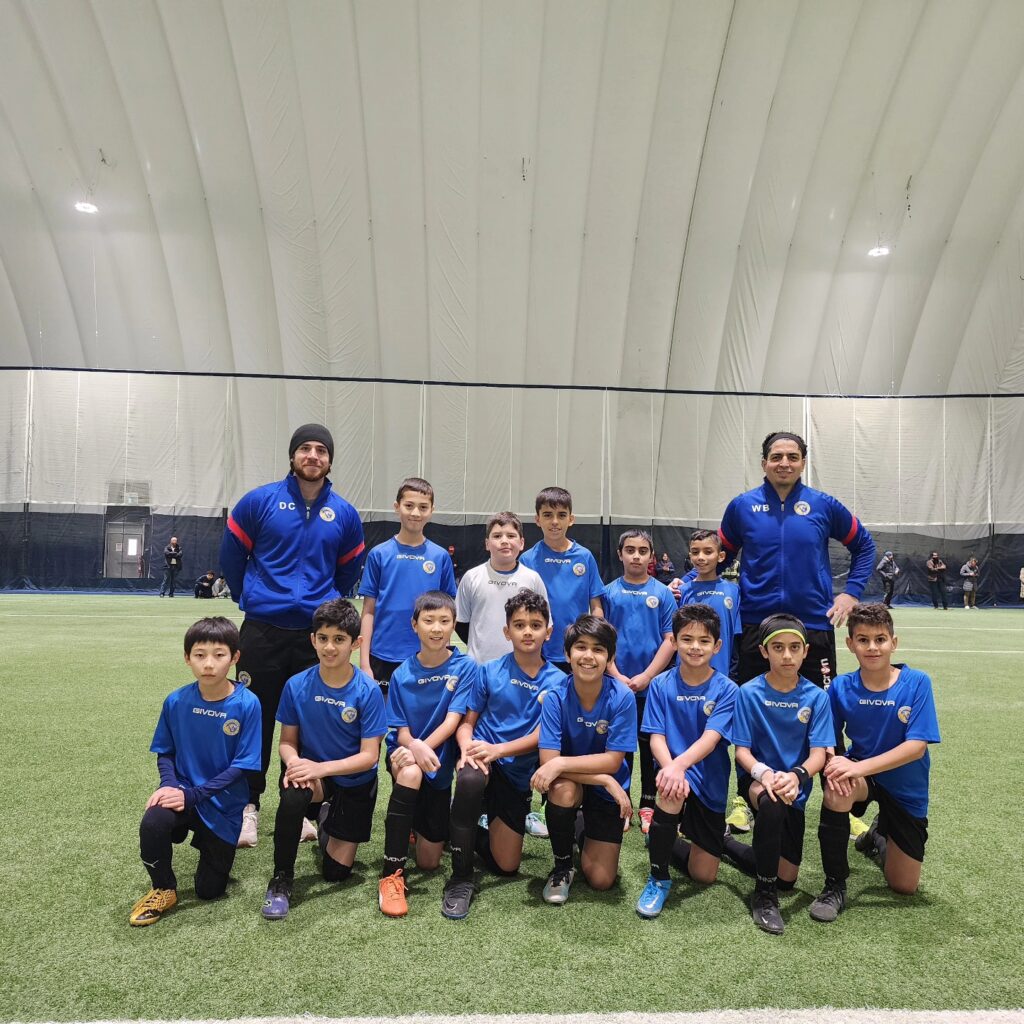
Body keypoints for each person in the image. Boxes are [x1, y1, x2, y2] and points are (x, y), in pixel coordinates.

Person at [219, 423, 366, 848]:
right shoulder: (259, 501)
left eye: (322, 450)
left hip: (312, 636)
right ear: (293, 456)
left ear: (330, 461)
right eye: (306, 448)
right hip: (262, 631)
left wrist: (327, 604)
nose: (313, 456)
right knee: (256, 718)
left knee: (309, 721)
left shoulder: (344, 513)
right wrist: (249, 594)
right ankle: (248, 806)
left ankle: (301, 806)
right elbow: (232, 552)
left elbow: (349, 569)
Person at [810, 603, 940, 922]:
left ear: (893, 643)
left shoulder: (917, 683)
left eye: (880, 639)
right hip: (864, 779)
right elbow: (826, 737)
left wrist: (856, 767)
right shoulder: (841, 687)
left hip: (905, 787)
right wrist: (834, 764)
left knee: (903, 885)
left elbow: (916, 748)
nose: (872, 647)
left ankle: (877, 835)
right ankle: (835, 885)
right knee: (837, 789)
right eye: (863, 639)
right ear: (850, 643)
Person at [442, 590, 566, 919]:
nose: (527, 631)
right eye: (520, 625)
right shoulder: (489, 670)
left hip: (516, 774)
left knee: (507, 866)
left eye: (535, 625)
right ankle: (460, 877)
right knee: (469, 779)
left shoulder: (558, 682)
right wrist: (467, 746)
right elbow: (467, 723)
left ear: (548, 632)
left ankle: (454, 830)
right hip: (484, 760)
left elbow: (545, 734)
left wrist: (500, 750)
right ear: (506, 632)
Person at [719, 431, 876, 688]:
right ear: (764, 463)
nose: (784, 463)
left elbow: (865, 545)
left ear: (803, 462)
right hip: (755, 625)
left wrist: (851, 593)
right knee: (750, 707)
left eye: (793, 457)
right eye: (776, 457)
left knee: (821, 708)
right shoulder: (742, 506)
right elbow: (719, 557)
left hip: (813, 623)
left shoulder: (823, 505)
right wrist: (690, 582)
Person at [130, 617, 260, 926]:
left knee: (208, 891)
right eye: (200, 655)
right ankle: (163, 887)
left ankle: (211, 842)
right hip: (185, 792)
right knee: (154, 819)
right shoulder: (176, 701)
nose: (209, 664)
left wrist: (192, 795)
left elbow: (242, 766)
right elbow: (166, 750)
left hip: (223, 803)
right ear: (187, 657)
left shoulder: (247, 704)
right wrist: (169, 785)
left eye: (219, 655)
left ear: (235, 658)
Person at [262, 599, 386, 920]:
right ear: (313, 640)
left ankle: (326, 818)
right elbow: (287, 743)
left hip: (354, 781)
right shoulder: (296, 685)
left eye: (339, 640)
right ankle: (281, 879)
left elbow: (369, 756)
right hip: (316, 776)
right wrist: (295, 763)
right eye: (323, 638)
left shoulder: (368, 691)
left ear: (355, 644)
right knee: (293, 792)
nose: (330, 647)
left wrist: (319, 767)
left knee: (335, 873)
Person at [721, 614, 833, 935]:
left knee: (787, 877)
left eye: (794, 647)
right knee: (771, 803)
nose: (787, 655)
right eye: (778, 647)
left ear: (805, 652)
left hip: (794, 784)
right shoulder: (749, 693)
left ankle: (723, 843)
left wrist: (796, 776)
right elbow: (741, 751)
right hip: (758, 780)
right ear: (764, 651)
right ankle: (764, 896)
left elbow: (818, 755)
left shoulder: (816, 698)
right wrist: (765, 773)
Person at [378, 591, 477, 917]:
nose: (437, 628)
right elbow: (401, 730)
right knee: (410, 772)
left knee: (430, 862)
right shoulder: (402, 674)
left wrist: (424, 746)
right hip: (406, 753)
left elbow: (452, 721)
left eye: (445, 621)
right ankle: (390, 874)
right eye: (429, 620)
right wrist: (415, 747)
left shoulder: (465, 667)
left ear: (453, 625)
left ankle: (416, 824)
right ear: (415, 624)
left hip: (437, 759)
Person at [635, 604, 738, 918]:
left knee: (703, 875)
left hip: (708, 778)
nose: (695, 647)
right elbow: (656, 737)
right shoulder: (661, 684)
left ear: (717, 646)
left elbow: (711, 739)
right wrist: (671, 769)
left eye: (704, 641)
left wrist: (679, 766)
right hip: (672, 771)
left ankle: (664, 837)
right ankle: (658, 876)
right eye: (687, 639)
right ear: (674, 642)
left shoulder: (728, 689)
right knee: (670, 791)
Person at [531, 616, 636, 905]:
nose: (588, 656)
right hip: (578, 783)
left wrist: (568, 765)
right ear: (567, 654)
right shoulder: (555, 697)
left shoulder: (623, 697)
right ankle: (563, 865)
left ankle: (579, 822)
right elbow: (549, 761)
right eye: (580, 647)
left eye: (598, 649)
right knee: (562, 790)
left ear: (610, 657)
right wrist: (601, 777)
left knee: (602, 881)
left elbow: (613, 761)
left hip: (603, 783)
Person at [600, 529, 676, 833]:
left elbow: (670, 640)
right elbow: (600, 639)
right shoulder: (607, 593)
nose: (636, 556)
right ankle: (621, 803)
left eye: (642, 551)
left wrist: (646, 677)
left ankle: (647, 803)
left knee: (649, 746)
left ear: (651, 557)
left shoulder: (663, 593)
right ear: (620, 555)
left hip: (651, 687)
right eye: (629, 550)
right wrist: (617, 676)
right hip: (615, 685)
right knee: (618, 745)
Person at [359, 478, 456, 695]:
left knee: (421, 719)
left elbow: (447, 613)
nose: (415, 513)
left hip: (427, 654)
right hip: (382, 655)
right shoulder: (379, 554)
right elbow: (368, 611)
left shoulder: (440, 557)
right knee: (381, 722)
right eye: (409, 505)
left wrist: (444, 654)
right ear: (397, 507)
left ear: (431, 511)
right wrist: (365, 663)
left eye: (423, 507)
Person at [520, 486, 604, 673]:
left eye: (562, 515)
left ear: (571, 519)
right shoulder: (527, 559)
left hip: (577, 650)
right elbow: (522, 609)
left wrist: (594, 639)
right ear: (537, 519)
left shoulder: (585, 557)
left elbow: (596, 605)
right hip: (539, 650)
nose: (555, 521)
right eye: (548, 515)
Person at [455, 512, 548, 664]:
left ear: (522, 543)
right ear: (487, 544)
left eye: (511, 536)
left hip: (521, 668)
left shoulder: (533, 579)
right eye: (497, 536)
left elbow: (543, 623)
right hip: (480, 667)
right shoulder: (472, 577)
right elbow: (461, 624)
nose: (504, 541)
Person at [678, 529, 742, 679]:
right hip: (686, 674)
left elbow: (734, 638)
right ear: (690, 556)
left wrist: (732, 676)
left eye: (708, 552)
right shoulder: (682, 591)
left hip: (722, 674)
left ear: (721, 556)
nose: (700, 557)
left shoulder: (733, 590)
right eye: (695, 552)